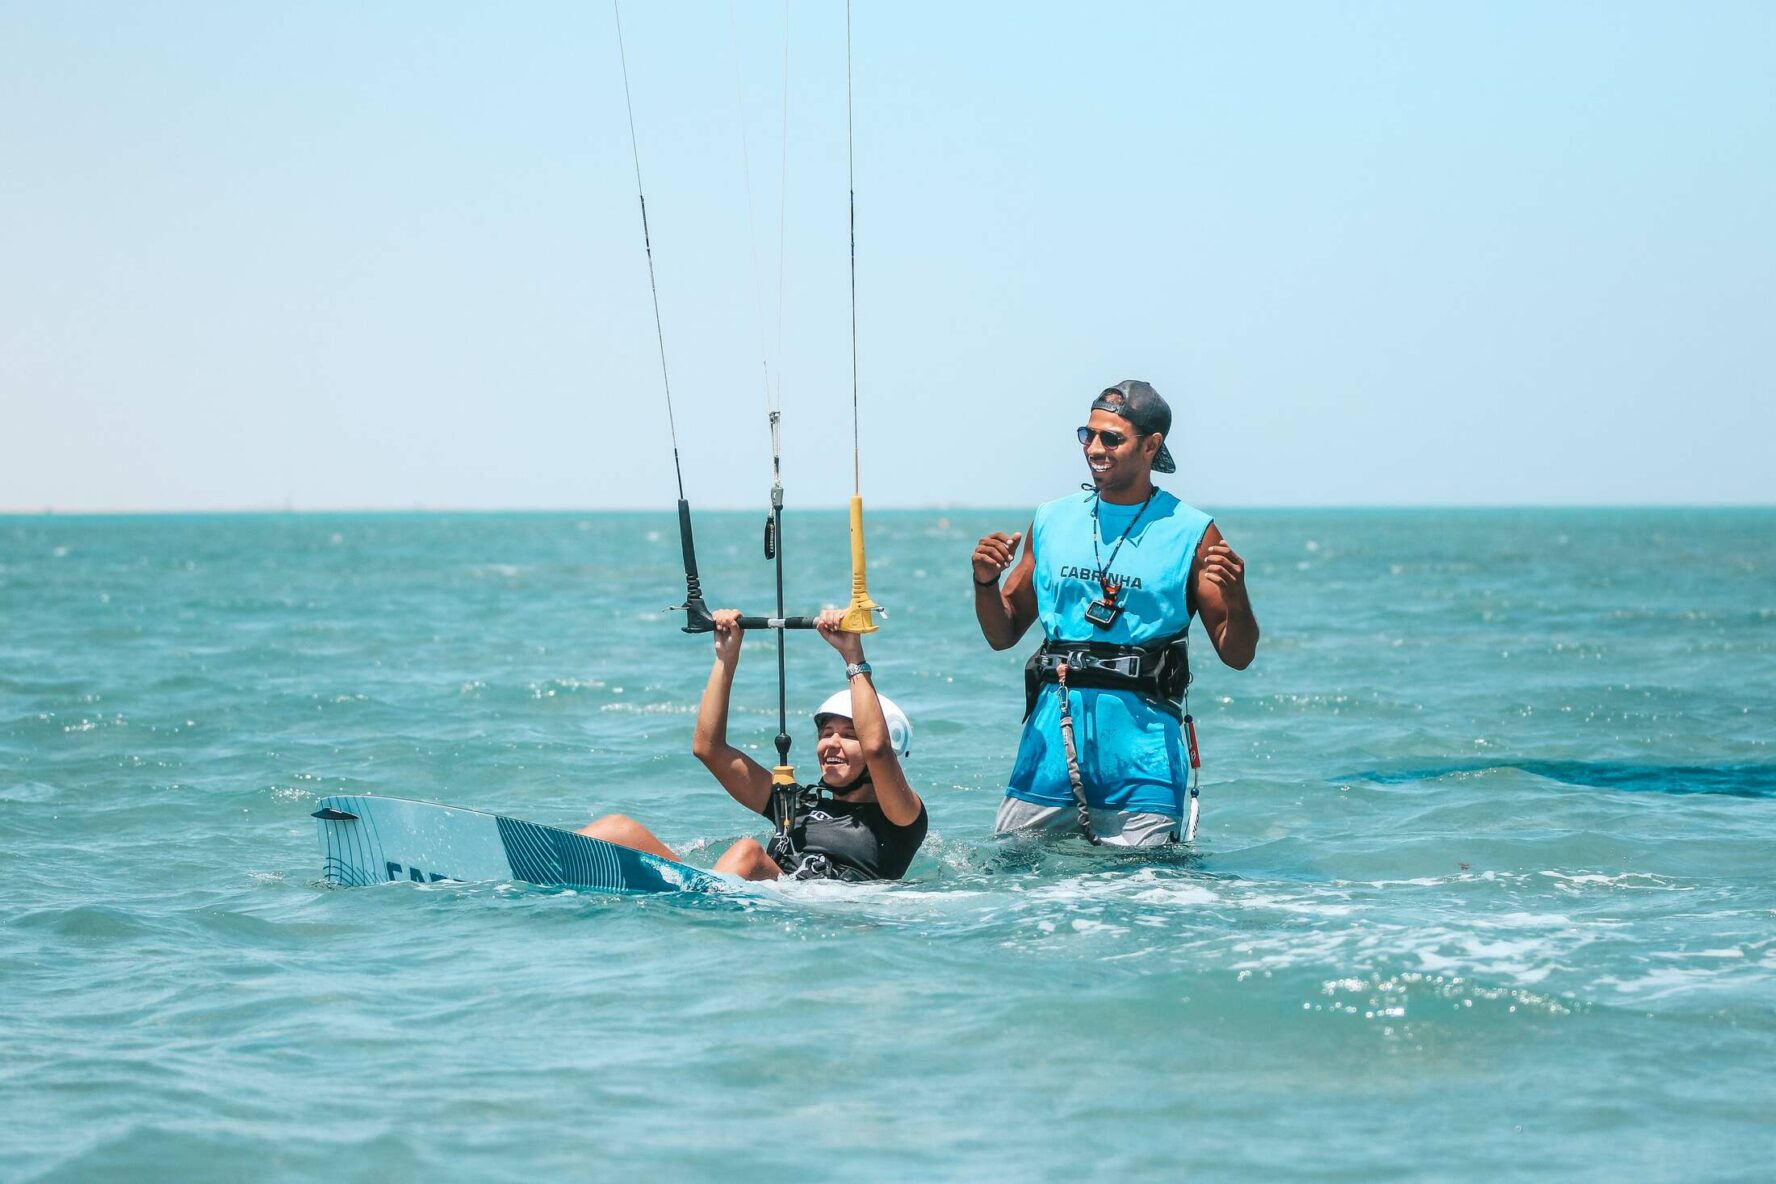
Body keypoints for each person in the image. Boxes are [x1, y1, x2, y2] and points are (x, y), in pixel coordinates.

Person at [971, 379, 1259, 847]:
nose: (1094, 448)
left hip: (1144, 763)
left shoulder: (1193, 531)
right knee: (1010, 873)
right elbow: (1002, 633)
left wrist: (1238, 594)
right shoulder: (1051, 520)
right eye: (1087, 435)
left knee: (1142, 889)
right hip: (1048, 753)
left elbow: (1237, 653)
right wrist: (984, 583)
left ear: (1151, 445)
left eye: (1111, 438)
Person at [579, 607, 927, 881]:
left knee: (748, 852)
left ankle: (703, 907)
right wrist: (725, 659)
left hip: (813, 912)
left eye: (849, 735)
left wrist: (853, 655)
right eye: (826, 734)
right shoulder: (795, 805)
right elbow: (709, 748)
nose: (831, 744)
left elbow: (877, 749)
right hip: (748, 892)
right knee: (616, 829)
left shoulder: (899, 821)